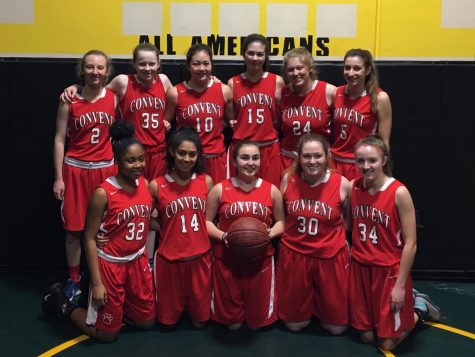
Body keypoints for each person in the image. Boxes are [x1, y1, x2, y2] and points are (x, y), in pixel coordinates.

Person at [43, 120, 156, 342]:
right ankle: (61, 303)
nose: (137, 165)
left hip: (136, 261)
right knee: (106, 335)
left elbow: (140, 219)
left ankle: (113, 307)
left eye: (141, 159)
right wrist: (97, 282)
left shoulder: (144, 183)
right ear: (117, 161)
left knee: (147, 322)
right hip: (111, 265)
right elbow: (89, 237)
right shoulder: (104, 192)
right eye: (130, 160)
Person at [62, 43, 173, 261]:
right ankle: (116, 258)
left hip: (158, 154)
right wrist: (75, 86)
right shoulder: (123, 81)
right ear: (134, 64)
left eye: (152, 63)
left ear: (159, 64)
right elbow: (96, 89)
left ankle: (146, 261)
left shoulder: (165, 81)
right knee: (124, 210)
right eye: (142, 64)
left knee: (149, 212)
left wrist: (167, 120)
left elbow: (180, 98)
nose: (147, 68)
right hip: (130, 158)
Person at [348, 134, 440, 351]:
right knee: (367, 337)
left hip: (389, 272)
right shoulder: (354, 187)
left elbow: (411, 244)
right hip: (361, 268)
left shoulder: (398, 192)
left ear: (384, 160)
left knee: (387, 344)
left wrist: (399, 286)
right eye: (360, 160)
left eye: (372, 160)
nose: (366, 166)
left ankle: (419, 308)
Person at [53, 50, 118, 300]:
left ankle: (100, 278)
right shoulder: (69, 100)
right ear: (83, 70)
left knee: (105, 230)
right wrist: (58, 177)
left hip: (105, 170)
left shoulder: (113, 98)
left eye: (100, 68)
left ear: (107, 71)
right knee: (74, 230)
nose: (95, 72)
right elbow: (59, 139)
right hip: (76, 169)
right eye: (90, 67)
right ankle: (74, 279)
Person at [206, 140, 285, 330]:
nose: (250, 162)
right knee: (232, 325)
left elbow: (282, 221)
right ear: (234, 161)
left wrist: (270, 233)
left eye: (255, 158)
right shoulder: (219, 189)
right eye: (244, 158)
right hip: (227, 259)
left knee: (257, 324)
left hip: (260, 260)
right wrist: (224, 236)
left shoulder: (271, 190)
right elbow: (206, 222)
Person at [278, 134, 350, 334]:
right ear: (298, 157)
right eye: (307, 156)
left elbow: (348, 221)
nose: (312, 161)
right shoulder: (287, 180)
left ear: (327, 156)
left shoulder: (342, 183)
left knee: (336, 329)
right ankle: (310, 304)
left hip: (330, 256)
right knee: (294, 325)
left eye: (317, 156)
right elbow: (282, 219)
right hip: (295, 255)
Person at [149, 127, 214, 328]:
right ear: (172, 152)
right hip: (170, 261)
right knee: (167, 324)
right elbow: (141, 218)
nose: (187, 159)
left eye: (192, 154)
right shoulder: (157, 185)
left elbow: (212, 217)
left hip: (200, 258)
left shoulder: (206, 182)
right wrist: (165, 227)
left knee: (200, 323)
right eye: (182, 153)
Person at [163, 44, 234, 184]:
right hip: (188, 159)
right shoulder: (175, 92)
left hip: (216, 156)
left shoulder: (224, 90)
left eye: (206, 63)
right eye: (196, 64)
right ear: (188, 66)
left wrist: (227, 123)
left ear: (211, 65)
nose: (202, 68)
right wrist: (165, 124)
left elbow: (231, 120)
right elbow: (166, 121)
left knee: (217, 200)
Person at [227, 34, 285, 186]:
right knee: (240, 194)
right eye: (250, 53)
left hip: (268, 147)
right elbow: (232, 119)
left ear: (266, 57)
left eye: (260, 54)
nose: (255, 58)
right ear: (243, 55)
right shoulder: (233, 83)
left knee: (271, 193)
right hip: (242, 148)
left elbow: (279, 118)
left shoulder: (277, 81)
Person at [331, 49, 392, 181]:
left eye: (357, 68)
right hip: (334, 162)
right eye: (347, 68)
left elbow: (384, 143)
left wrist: (381, 173)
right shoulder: (336, 92)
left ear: (368, 70)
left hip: (360, 164)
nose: (351, 73)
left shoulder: (379, 98)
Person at [280, 47, 336, 170]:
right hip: (289, 159)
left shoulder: (329, 91)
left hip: (317, 160)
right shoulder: (281, 94)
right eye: (290, 70)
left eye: (300, 68)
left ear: (310, 67)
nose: (295, 73)